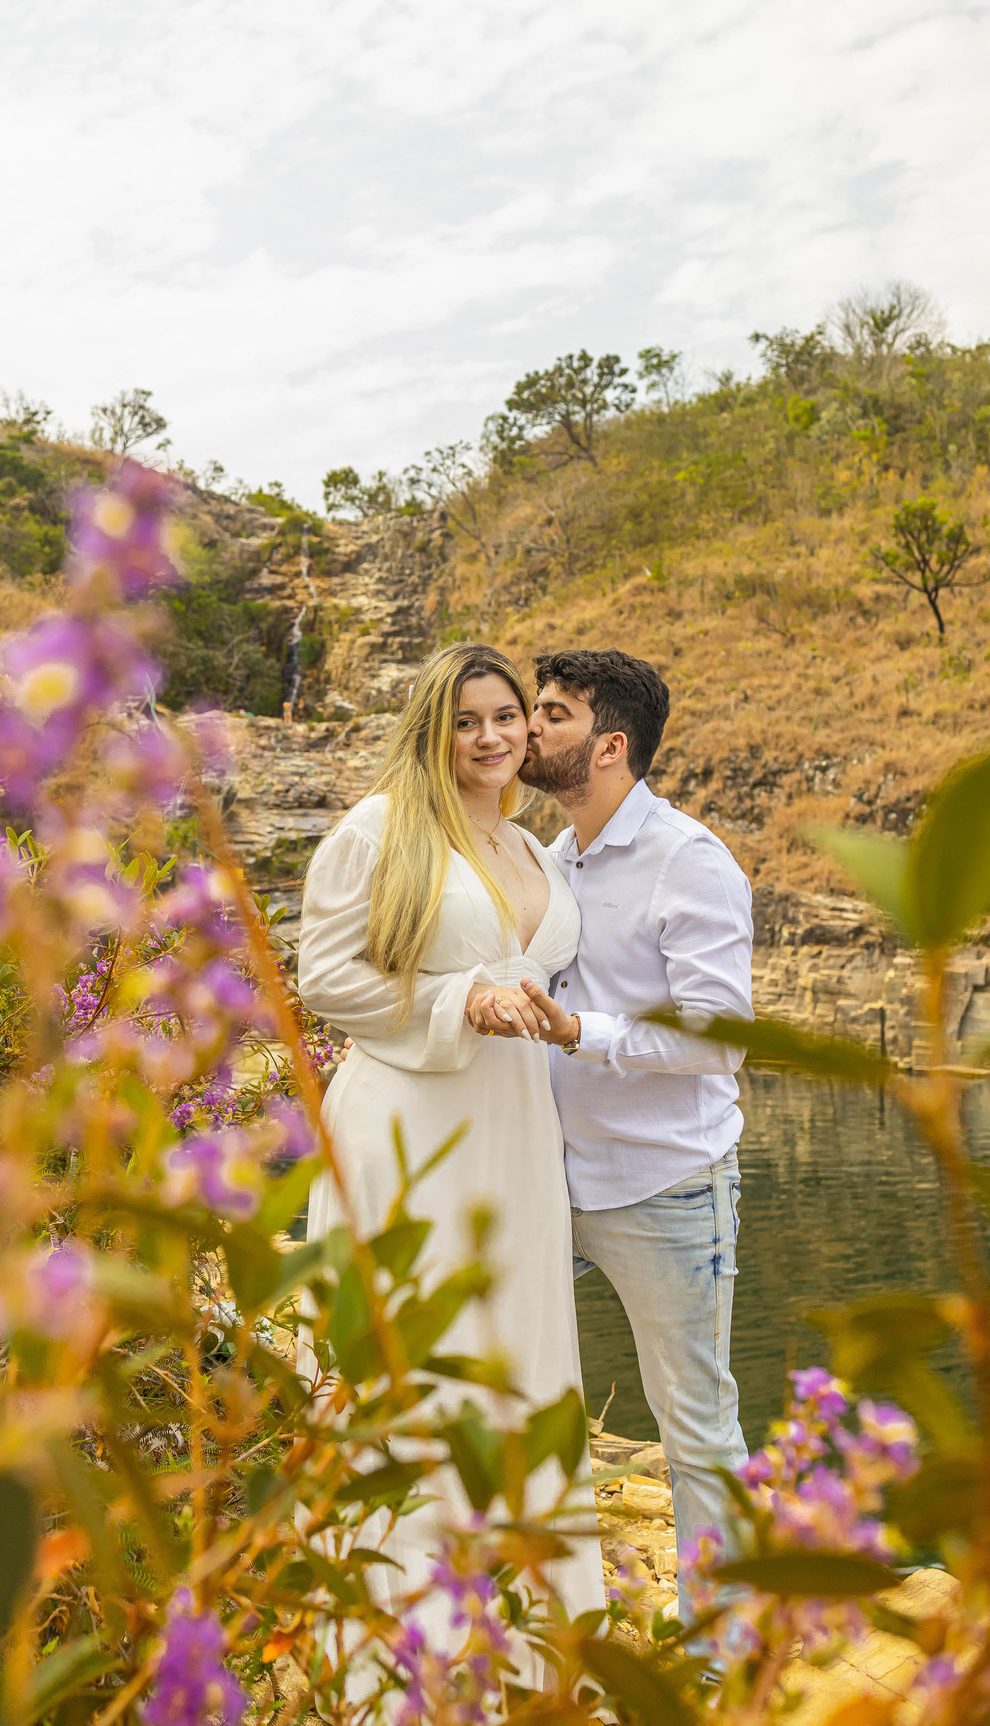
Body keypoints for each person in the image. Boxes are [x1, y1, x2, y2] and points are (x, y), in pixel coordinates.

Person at [296, 641, 605, 1661]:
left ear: (529, 726)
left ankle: (518, 1622)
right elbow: (324, 979)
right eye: (466, 721)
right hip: (409, 1120)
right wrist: (456, 998)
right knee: (417, 1352)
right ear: (435, 728)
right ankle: (396, 1625)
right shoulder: (379, 829)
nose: (489, 739)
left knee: (516, 1339)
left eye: (506, 718)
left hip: (515, 1122)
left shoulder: (530, 844)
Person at [471, 645, 753, 1623]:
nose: (525, 728)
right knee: (503, 1388)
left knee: (697, 1428)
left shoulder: (691, 862)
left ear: (608, 744)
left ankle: (720, 1650)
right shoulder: (548, 860)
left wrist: (579, 1032)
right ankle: (527, 1614)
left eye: (550, 714)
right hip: (550, 1185)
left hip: (668, 1192)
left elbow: (717, 1036)